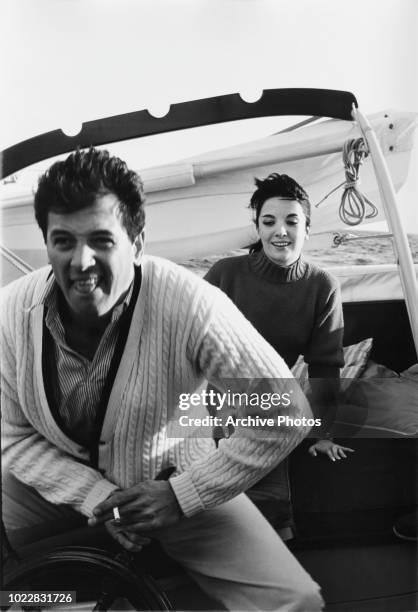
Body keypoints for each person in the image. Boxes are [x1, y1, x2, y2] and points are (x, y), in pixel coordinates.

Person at [1, 149, 324, 611]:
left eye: (101, 240)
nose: (81, 262)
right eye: (63, 241)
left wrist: (182, 495)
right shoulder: (11, 313)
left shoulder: (189, 302)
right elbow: (12, 435)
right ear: (46, 242)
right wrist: (100, 497)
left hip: (177, 479)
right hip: (57, 487)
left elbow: (288, 413)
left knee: (297, 601)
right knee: (19, 596)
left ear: (137, 242)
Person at [205, 173, 354, 533]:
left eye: (292, 221)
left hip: (269, 403)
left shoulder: (322, 286)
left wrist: (324, 432)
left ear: (307, 228)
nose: (280, 232)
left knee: (269, 518)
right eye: (269, 222)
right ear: (257, 227)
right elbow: (186, 345)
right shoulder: (226, 274)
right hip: (212, 397)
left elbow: (325, 365)